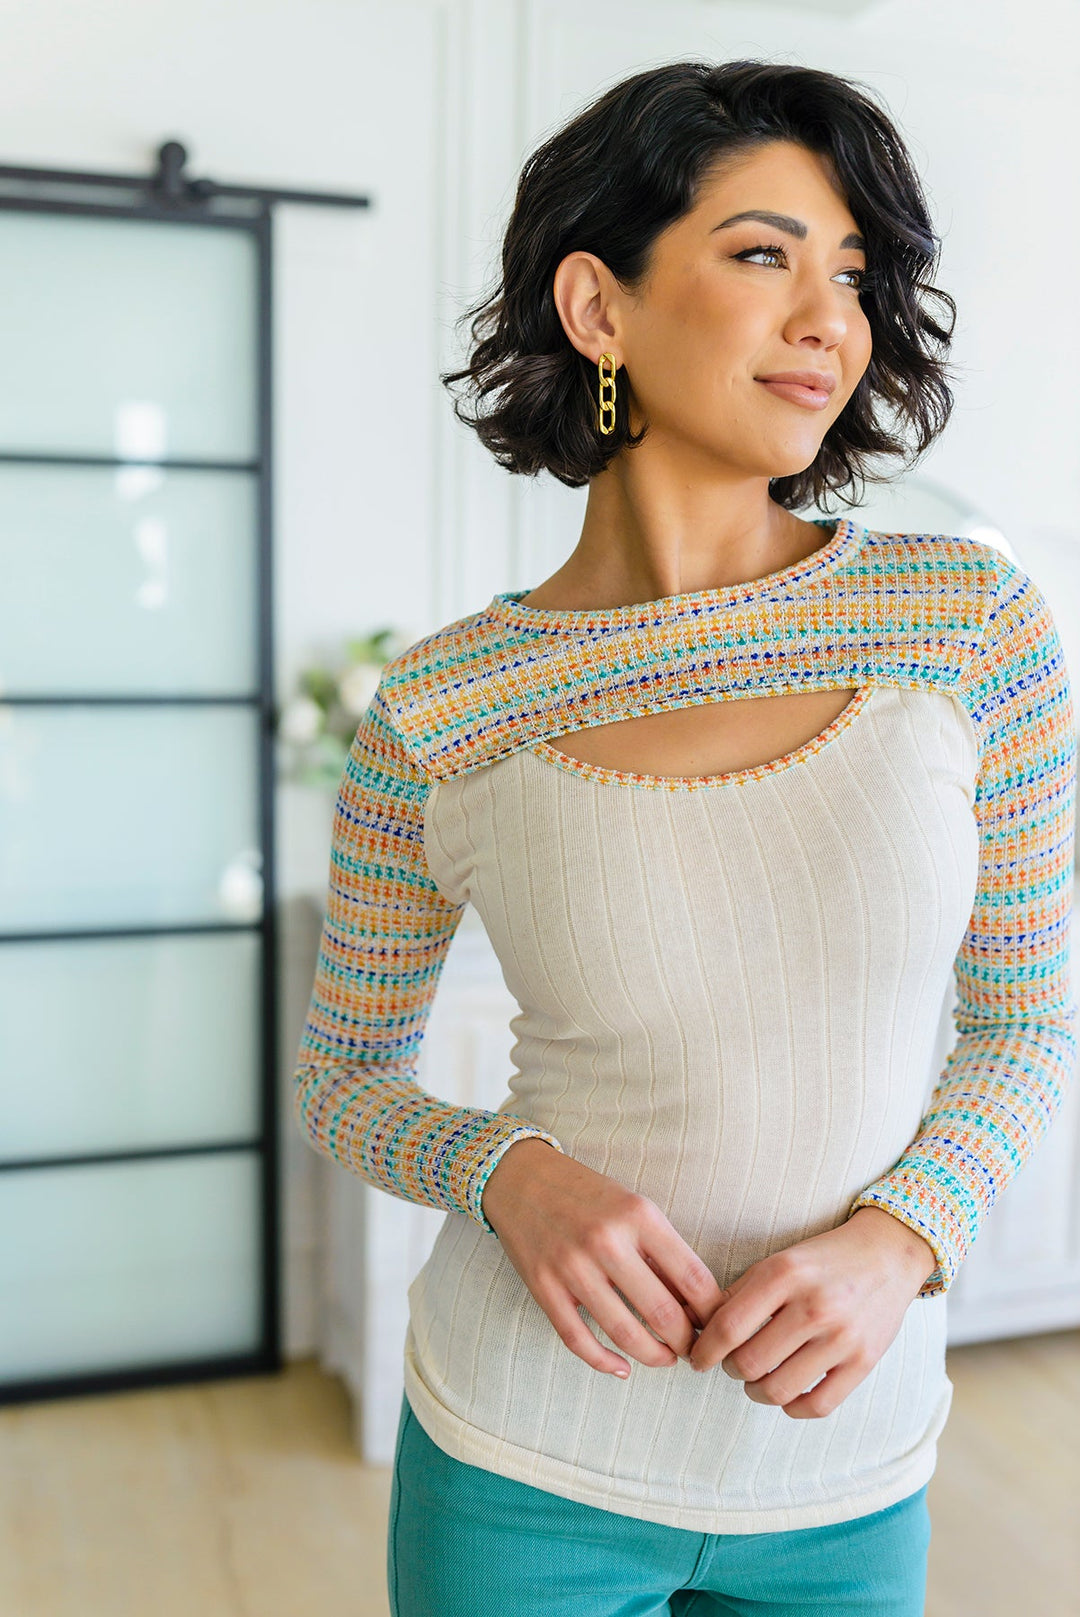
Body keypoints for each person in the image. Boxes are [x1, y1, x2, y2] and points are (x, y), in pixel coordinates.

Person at [292, 58, 1077, 1617]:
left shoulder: (968, 622)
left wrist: (902, 1237)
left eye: (852, 271)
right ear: (599, 306)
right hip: (521, 1457)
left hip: (846, 1473)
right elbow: (342, 1078)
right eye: (764, 253)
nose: (830, 317)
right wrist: (507, 1172)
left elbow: (1027, 1018)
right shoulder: (444, 704)